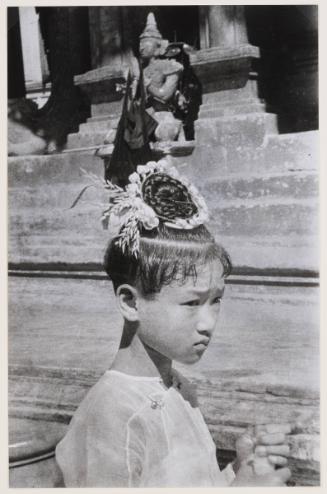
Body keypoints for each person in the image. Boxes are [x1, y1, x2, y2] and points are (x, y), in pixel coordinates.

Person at [56, 158, 292, 487]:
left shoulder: (177, 387)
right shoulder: (110, 416)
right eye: (191, 303)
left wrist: (239, 468)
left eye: (216, 300)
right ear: (130, 302)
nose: (208, 323)